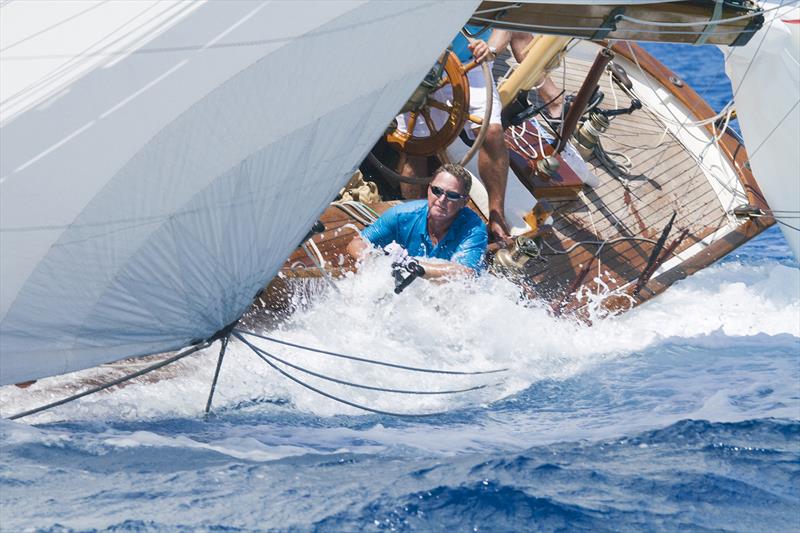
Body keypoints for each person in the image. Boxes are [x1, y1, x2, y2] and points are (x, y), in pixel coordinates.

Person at [347, 163, 487, 279]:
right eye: (437, 191)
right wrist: (377, 262)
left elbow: (465, 273)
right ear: (428, 189)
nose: (442, 200)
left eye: (452, 195)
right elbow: (357, 243)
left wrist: (413, 266)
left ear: (465, 202)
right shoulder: (401, 215)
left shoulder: (474, 229)